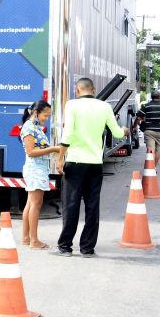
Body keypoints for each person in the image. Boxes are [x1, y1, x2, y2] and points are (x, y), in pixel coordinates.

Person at [55, 78, 128, 258]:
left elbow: (68, 133)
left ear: (77, 90)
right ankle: (87, 248)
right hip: (95, 164)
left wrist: (60, 157)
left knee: (71, 205)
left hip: (75, 162)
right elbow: (118, 133)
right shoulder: (104, 107)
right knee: (92, 206)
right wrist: (125, 130)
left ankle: (65, 247)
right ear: (93, 90)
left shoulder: (72, 105)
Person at [19, 101, 61, 250]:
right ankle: (34, 241)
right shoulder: (29, 127)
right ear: (36, 112)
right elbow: (31, 152)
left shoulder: (35, 127)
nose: (47, 118)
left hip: (37, 169)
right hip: (35, 169)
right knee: (36, 205)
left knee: (30, 204)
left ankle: (26, 238)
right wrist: (53, 149)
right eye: (45, 114)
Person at [135, 90, 160, 167]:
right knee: (158, 150)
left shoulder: (146, 106)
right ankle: (154, 167)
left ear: (151, 97)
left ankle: (151, 168)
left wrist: (135, 126)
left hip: (149, 131)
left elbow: (138, 117)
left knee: (151, 149)